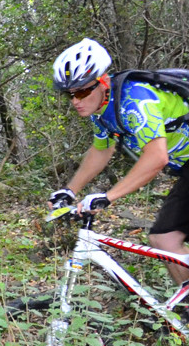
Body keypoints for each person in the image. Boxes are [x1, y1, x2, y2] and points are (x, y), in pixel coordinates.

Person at [49, 37, 189, 284]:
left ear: (103, 82)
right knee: (164, 239)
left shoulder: (135, 100)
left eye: (81, 91)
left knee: (165, 237)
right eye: (69, 94)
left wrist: (109, 196)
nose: (75, 101)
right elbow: (101, 150)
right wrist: (70, 191)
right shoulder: (101, 111)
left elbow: (156, 157)